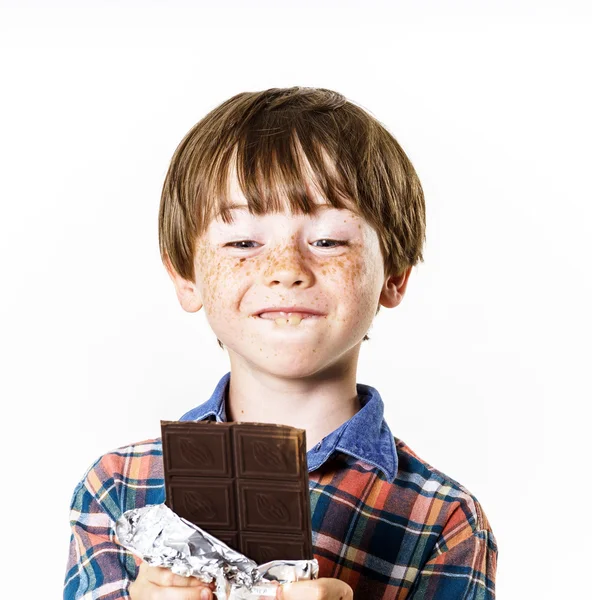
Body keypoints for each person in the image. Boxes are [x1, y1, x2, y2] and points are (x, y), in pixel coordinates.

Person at [64, 86, 497, 600]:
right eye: (243, 243)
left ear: (395, 275)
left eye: (329, 241)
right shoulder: (116, 486)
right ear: (186, 276)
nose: (286, 270)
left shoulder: (442, 519)